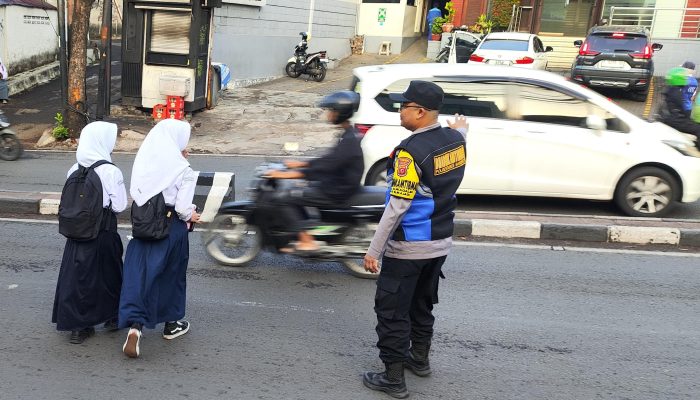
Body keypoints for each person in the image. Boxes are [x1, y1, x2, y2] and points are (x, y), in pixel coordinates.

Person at [361, 80, 468, 399]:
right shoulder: (454, 140)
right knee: (421, 303)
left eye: (403, 106)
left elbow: (397, 207)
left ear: (420, 112)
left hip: (409, 247)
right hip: (440, 244)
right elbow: (461, 135)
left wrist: (373, 251)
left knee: (392, 311)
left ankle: (393, 378)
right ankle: (418, 359)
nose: (400, 111)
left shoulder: (408, 153)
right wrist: (461, 128)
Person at [118, 119, 201, 358]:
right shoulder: (183, 170)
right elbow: (184, 209)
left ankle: (135, 327)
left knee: (141, 276)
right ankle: (171, 325)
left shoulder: (145, 163)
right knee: (171, 277)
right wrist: (193, 214)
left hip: (143, 227)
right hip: (171, 229)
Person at [52, 121, 127, 344]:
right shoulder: (110, 171)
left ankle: (79, 327)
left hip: (76, 233)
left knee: (77, 279)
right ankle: (112, 317)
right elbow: (119, 205)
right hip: (102, 233)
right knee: (109, 276)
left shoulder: (73, 169)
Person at [264, 90, 364, 252]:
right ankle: (304, 228)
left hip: (337, 191)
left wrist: (287, 174)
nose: (328, 115)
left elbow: (326, 166)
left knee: (285, 198)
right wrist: (299, 164)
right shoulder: (347, 134)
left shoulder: (348, 141)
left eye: (331, 111)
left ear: (340, 113)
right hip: (337, 185)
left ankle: (306, 239)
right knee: (297, 189)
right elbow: (327, 160)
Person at [658, 66, 700, 148]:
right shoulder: (676, 92)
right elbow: (684, 110)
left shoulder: (671, 89)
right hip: (677, 120)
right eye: (684, 77)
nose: (686, 79)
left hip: (672, 117)